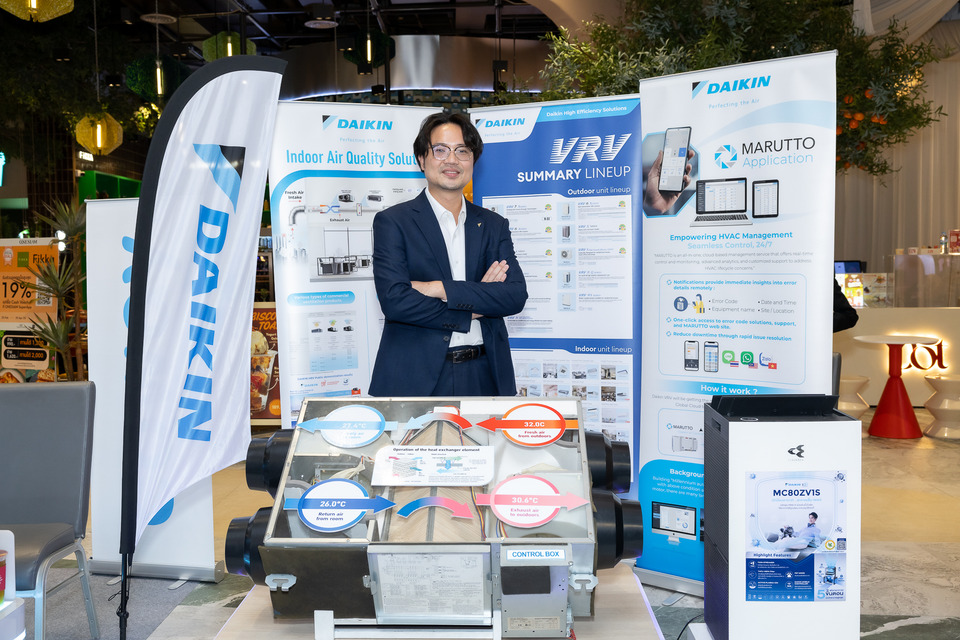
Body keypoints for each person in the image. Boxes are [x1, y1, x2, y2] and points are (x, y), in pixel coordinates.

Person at [368, 112, 528, 397]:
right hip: (416, 378)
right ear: (422, 159)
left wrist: (438, 288)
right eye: (440, 150)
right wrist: (475, 305)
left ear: (473, 161)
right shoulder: (393, 222)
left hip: (485, 374)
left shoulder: (493, 225)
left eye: (462, 151)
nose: (452, 160)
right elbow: (395, 301)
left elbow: (514, 296)